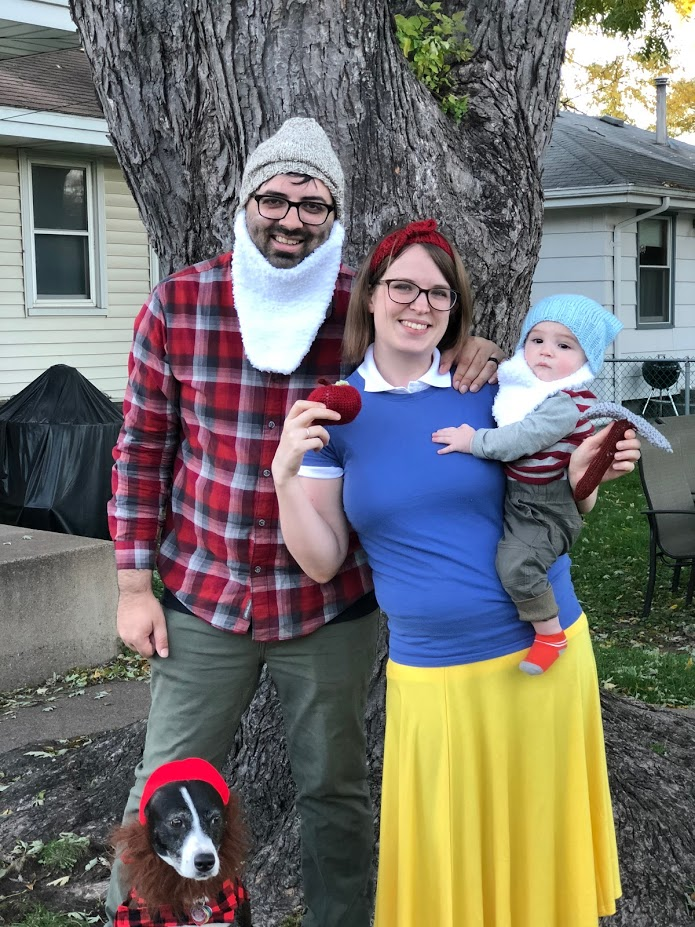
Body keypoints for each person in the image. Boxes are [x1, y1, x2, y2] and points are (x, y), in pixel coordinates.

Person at [105, 119, 503, 927]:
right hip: (202, 595)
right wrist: (130, 584)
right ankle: (138, 920)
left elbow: (431, 346)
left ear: (334, 214)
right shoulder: (179, 303)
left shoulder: (362, 309)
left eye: (311, 203)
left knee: (335, 790)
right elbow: (142, 448)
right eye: (275, 198)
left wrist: (479, 347)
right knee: (165, 784)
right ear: (244, 200)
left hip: (329, 604)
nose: (290, 218)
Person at [271, 219, 640, 927]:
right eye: (402, 285)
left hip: (543, 654)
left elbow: (562, 498)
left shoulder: (495, 385)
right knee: (449, 871)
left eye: (438, 292)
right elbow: (320, 560)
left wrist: (593, 473)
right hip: (434, 672)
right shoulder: (334, 411)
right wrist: (284, 475)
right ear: (370, 296)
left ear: (454, 307)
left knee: (539, 859)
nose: (419, 303)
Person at [431, 294, 623, 675]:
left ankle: (550, 632)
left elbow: (521, 439)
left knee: (517, 564)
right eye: (537, 340)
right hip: (524, 498)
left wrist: (473, 441)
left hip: (547, 507)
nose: (545, 353)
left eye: (564, 345)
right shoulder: (530, 389)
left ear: (588, 359)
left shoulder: (565, 402)